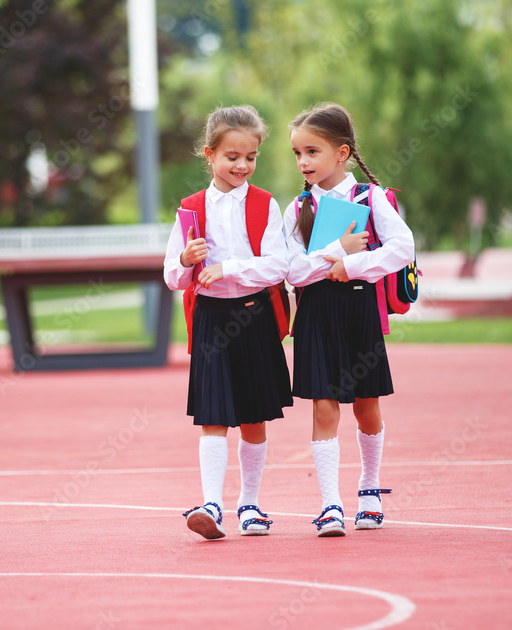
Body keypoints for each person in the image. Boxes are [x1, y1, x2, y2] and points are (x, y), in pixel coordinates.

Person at [283, 103, 414, 537]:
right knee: (323, 405)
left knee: (365, 405)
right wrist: (337, 252)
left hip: (360, 309)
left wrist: (353, 267)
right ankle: (330, 505)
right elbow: (293, 272)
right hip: (316, 313)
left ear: (342, 153)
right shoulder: (296, 209)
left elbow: (402, 249)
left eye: (312, 152)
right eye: (298, 153)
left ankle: (370, 489)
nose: (303, 162)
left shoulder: (370, 198)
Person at [164, 105, 293, 539]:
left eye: (250, 157)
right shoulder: (190, 209)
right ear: (209, 154)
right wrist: (185, 260)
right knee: (213, 417)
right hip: (211, 320)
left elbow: (279, 266)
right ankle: (212, 505)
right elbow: (172, 276)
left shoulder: (265, 204)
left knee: (254, 418)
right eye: (232, 157)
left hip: (255, 318)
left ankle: (250, 505)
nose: (242, 165)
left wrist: (231, 268)